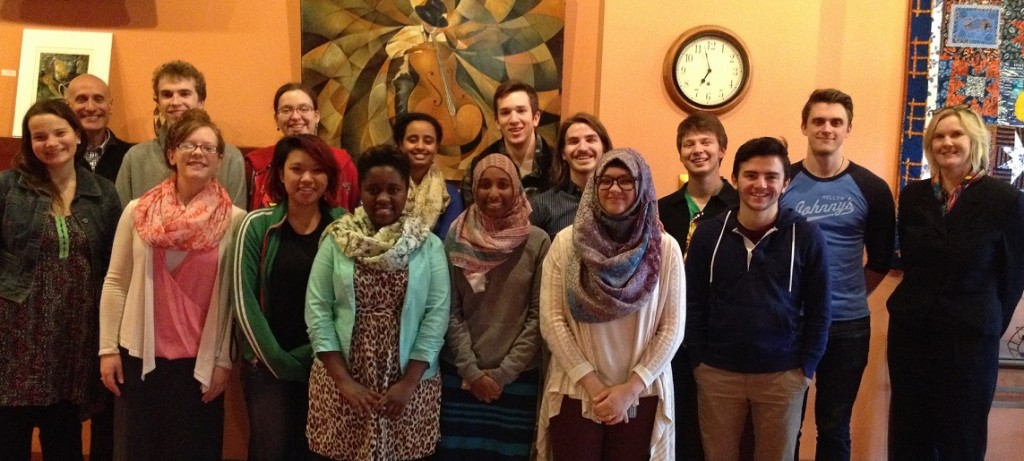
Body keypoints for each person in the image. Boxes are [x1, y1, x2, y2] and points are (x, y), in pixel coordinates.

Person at [99, 109, 247, 461]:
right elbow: (116, 282)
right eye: (188, 145)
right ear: (171, 154)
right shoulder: (138, 211)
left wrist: (224, 361)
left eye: (207, 147)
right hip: (139, 357)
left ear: (219, 160)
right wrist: (107, 349)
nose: (197, 153)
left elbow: (232, 304)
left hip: (200, 364)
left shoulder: (235, 221)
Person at [886, 105, 1024, 460]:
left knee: (960, 440)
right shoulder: (914, 197)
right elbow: (911, 265)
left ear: (974, 141)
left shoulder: (1005, 200)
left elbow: (1013, 278)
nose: (947, 142)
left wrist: (988, 322)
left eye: (956, 134)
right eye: (939, 136)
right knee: (909, 436)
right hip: (912, 336)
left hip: (969, 343)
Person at [686, 137, 831, 461]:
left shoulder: (807, 236)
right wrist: (700, 362)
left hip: (783, 375)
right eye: (751, 175)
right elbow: (692, 304)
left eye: (771, 176)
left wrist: (805, 369)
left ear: (786, 183)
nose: (760, 185)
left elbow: (821, 310)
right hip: (718, 374)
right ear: (735, 179)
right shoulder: (708, 235)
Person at [536, 148, 685, 460]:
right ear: (593, 186)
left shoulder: (665, 249)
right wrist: (592, 385)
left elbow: (672, 328)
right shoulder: (566, 244)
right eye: (605, 180)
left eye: (625, 181)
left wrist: (630, 389)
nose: (614, 188)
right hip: (576, 390)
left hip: (641, 392)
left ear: (641, 185)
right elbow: (552, 320)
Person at [305, 144, 450, 460]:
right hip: (343, 381)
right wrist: (344, 381)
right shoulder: (337, 239)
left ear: (406, 191)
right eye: (373, 189)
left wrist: (409, 382)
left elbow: (436, 316)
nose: (383, 197)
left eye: (393, 189)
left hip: (408, 384)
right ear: (361, 192)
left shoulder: (428, 245)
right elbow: (317, 310)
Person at [0, 99, 121, 461]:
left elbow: (114, 266)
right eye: (39, 136)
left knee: (64, 440)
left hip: (73, 336)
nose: (50, 142)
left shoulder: (103, 193)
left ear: (77, 135)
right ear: (29, 143)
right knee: (8, 439)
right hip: (14, 337)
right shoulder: (8, 187)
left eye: (59, 133)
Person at [780, 89, 895, 461]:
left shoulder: (872, 189)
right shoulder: (782, 182)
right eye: (818, 121)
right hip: (788, 323)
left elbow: (879, 261)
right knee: (786, 424)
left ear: (848, 129)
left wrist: (843, 296)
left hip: (847, 327)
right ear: (804, 126)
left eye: (835, 122)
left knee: (833, 425)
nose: (826, 129)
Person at [233, 134, 346, 461]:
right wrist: (279, 361)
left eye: (317, 170)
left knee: (321, 451)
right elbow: (243, 301)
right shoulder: (257, 225)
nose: (307, 178)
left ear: (329, 176)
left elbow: (351, 301)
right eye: (297, 169)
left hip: (329, 364)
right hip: (268, 367)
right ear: (281, 174)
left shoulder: (345, 227)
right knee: (271, 451)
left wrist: (318, 353)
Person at [435, 154, 550, 459]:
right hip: (460, 375)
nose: (493, 193)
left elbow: (539, 317)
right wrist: (472, 373)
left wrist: (501, 375)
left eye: (503, 184)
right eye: (484, 184)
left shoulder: (537, 242)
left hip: (517, 377)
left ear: (517, 190)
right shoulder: (456, 237)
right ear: (473, 188)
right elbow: (450, 311)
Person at [657, 111, 740, 461]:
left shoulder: (740, 207)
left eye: (706, 142)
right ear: (680, 153)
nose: (697, 149)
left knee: (721, 431)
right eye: (689, 143)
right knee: (678, 422)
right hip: (671, 331)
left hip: (722, 332)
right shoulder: (661, 209)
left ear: (722, 149)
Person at [115, 60, 246, 207]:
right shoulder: (135, 159)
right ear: (158, 103)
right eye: (167, 94)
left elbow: (236, 224)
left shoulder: (231, 158)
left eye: (184, 94)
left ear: (201, 101)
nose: (175, 102)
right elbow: (121, 219)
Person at [245, 82, 359, 212]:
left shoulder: (342, 163)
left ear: (316, 116)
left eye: (304, 109)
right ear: (276, 119)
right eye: (286, 110)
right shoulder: (256, 165)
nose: (295, 117)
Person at [462, 80, 554, 202]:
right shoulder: (479, 167)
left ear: (535, 118)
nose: (514, 120)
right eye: (505, 112)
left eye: (521, 110)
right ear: (497, 121)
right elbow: (472, 218)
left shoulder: (558, 164)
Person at [530, 112, 612, 239]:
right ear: (563, 153)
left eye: (590, 140)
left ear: (604, 148)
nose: (583, 148)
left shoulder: (618, 201)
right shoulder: (542, 206)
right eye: (573, 142)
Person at [392, 111, 464, 238]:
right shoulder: (384, 188)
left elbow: (447, 242)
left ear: (436, 147)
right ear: (400, 144)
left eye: (428, 141)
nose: (420, 146)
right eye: (412, 140)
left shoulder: (449, 196)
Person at [65, 73, 135, 183]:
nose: (91, 107)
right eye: (82, 99)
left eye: (98, 99)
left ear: (110, 106)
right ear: (67, 106)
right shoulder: (57, 155)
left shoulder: (132, 155)